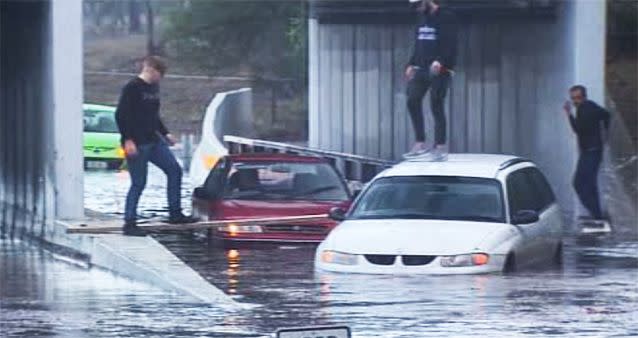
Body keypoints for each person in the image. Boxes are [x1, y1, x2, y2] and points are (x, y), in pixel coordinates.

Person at [115, 56, 197, 236]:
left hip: (153, 140)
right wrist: (127, 139)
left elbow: (154, 115)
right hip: (136, 143)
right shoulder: (132, 87)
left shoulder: (154, 88)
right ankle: (129, 223)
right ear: (150, 69)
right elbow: (121, 114)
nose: (160, 78)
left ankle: (175, 213)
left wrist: (165, 133)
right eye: (159, 74)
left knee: (174, 170)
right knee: (139, 183)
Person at [404, 0, 458, 161]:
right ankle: (420, 143)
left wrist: (441, 61)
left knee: (436, 103)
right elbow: (418, 43)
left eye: (419, 5)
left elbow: (451, 43)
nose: (418, 9)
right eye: (415, 7)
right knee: (412, 100)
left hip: (440, 69)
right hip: (421, 67)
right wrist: (411, 63)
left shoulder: (446, 16)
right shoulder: (421, 17)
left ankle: (440, 147)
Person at [563, 85, 611, 221]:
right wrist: (605, 132)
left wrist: (568, 114)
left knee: (582, 184)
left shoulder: (585, 109)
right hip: (591, 151)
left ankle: (597, 215)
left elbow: (577, 129)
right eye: (573, 99)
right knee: (587, 184)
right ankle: (597, 215)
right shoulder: (590, 106)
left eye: (578, 98)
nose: (575, 101)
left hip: (591, 152)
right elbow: (606, 114)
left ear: (584, 96)